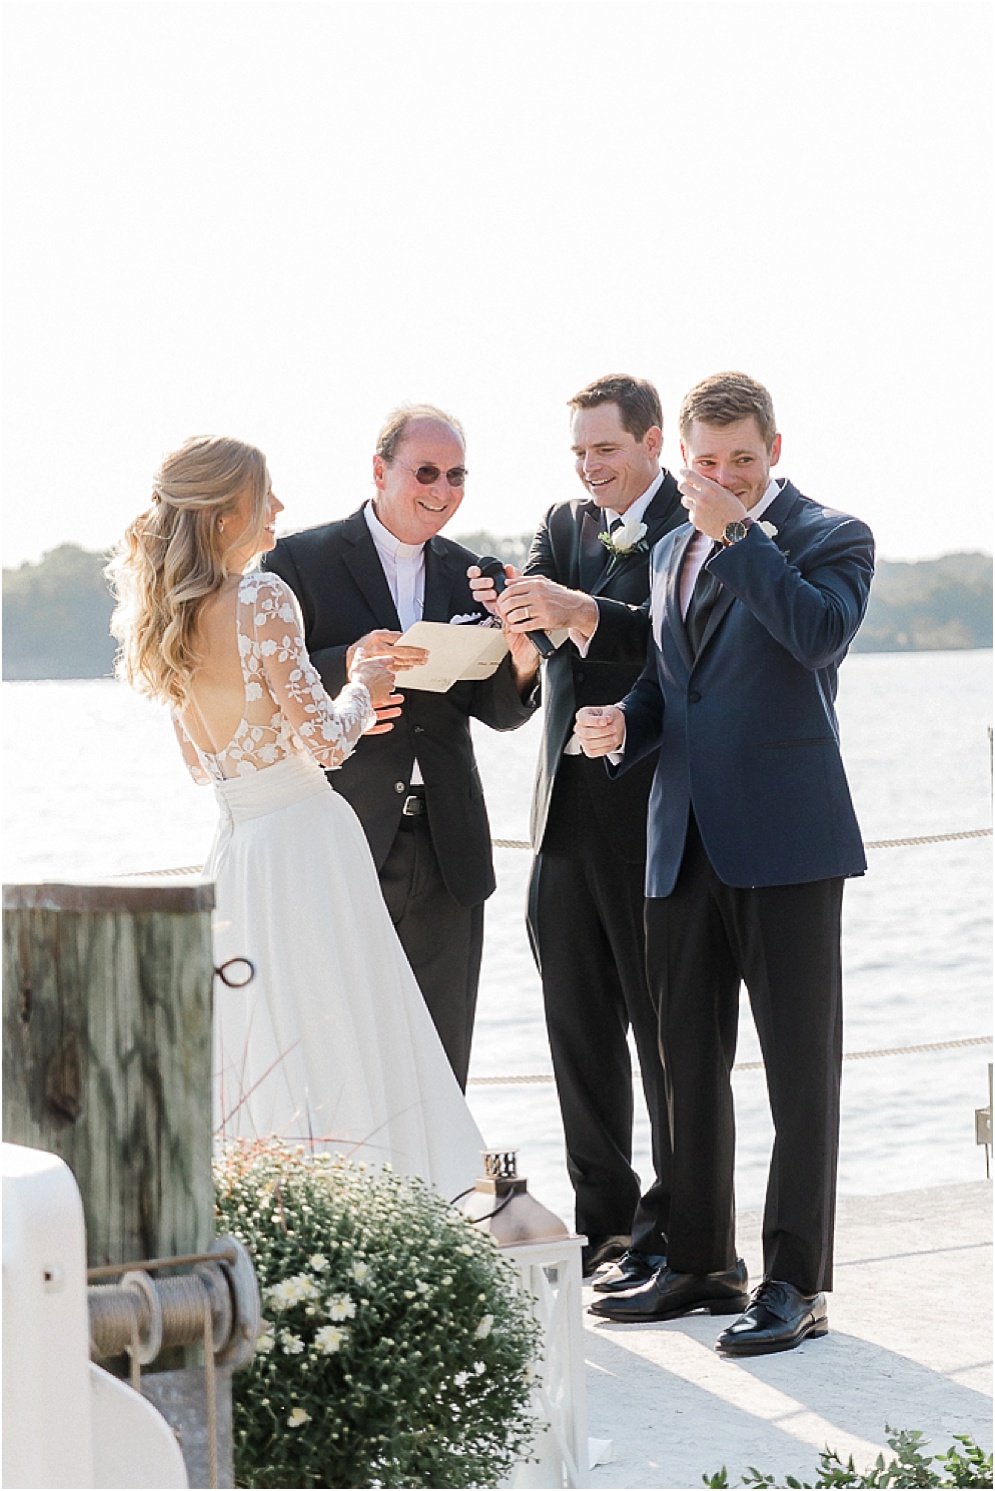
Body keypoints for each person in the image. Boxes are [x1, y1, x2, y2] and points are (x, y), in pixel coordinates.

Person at [576, 372, 874, 1354]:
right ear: (682, 457)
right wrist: (624, 723)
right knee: (682, 1069)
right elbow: (671, 686)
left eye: (739, 461)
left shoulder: (832, 537)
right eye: (703, 464)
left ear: (772, 451)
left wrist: (742, 536)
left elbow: (815, 635)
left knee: (798, 1076)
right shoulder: (664, 550)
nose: (720, 479)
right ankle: (699, 1264)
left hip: (788, 843)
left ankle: (798, 1284)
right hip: (679, 841)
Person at [107, 435, 485, 1201]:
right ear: (227, 512)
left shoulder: (167, 618)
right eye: (266, 494)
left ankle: (286, 1203)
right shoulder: (261, 598)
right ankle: (388, 1195)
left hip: (239, 850)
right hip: (308, 842)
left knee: (270, 1035)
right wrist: (362, 681)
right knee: (344, 1021)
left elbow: (197, 760)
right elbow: (328, 740)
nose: (279, 507)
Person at [470, 375, 685, 1284]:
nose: (589, 467)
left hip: (653, 814)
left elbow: (688, 640)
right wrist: (511, 610)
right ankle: (602, 1228)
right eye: (578, 452)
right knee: (577, 1029)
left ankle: (675, 1227)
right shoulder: (561, 522)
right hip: (559, 818)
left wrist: (584, 613)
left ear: (650, 441)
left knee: (666, 1031)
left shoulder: (690, 520)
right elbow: (531, 651)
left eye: (604, 448)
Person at [263, 405, 536, 1090]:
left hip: (448, 847)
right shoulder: (298, 559)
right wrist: (346, 663)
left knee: (442, 1059)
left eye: (455, 474)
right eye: (425, 471)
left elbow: (499, 712)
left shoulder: (472, 573)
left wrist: (523, 653)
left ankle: (437, 1198)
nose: (440, 489)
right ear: (379, 469)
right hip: (342, 835)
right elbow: (264, 682)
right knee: (338, 1053)